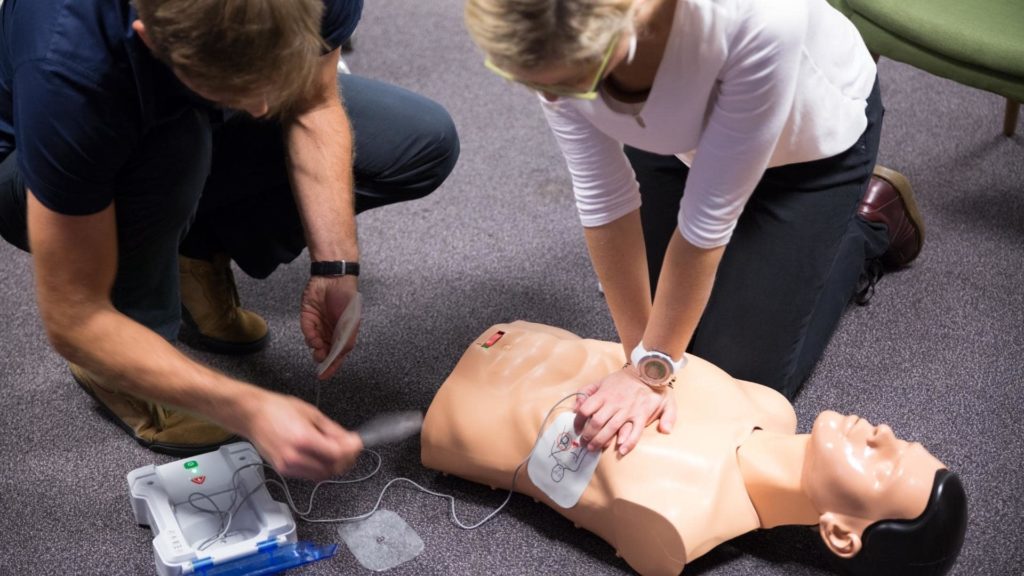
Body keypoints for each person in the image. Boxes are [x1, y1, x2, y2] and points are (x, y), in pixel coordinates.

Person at [0, 0, 459, 479]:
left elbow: (315, 102)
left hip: (170, 105)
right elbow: (75, 316)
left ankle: (193, 253)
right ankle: (128, 349)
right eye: (238, 86)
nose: (263, 108)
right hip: (41, 171)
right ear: (150, 37)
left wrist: (335, 267)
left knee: (422, 140)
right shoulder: (69, 62)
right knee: (176, 145)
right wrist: (246, 407)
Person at [463, 0, 925, 456]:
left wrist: (650, 374)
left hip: (806, 154)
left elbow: (706, 225)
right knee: (673, 349)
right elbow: (602, 194)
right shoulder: (543, 28)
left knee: (738, 384)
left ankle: (865, 223)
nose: (549, 97)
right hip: (672, 141)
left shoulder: (757, 18)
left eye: (569, 81)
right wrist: (640, 362)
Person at [421, 322, 967, 576]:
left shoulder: (680, 522)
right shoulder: (768, 407)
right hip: (522, 337)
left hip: (458, 410)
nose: (885, 434)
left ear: (841, 535)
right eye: (902, 442)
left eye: (885, 465)